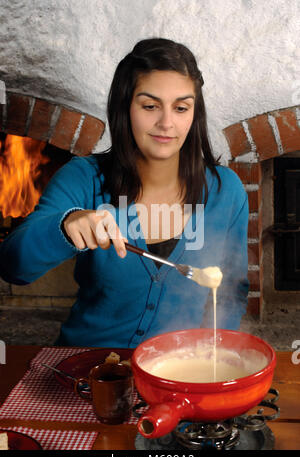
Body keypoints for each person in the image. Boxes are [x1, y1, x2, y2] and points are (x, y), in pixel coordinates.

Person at [0, 38, 249, 347]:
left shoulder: (226, 192)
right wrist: (66, 226)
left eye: (181, 108)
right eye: (149, 106)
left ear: (194, 114)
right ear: (125, 107)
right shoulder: (84, 178)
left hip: (178, 369)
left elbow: (231, 292)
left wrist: (211, 355)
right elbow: (12, 267)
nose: (166, 123)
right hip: (90, 364)